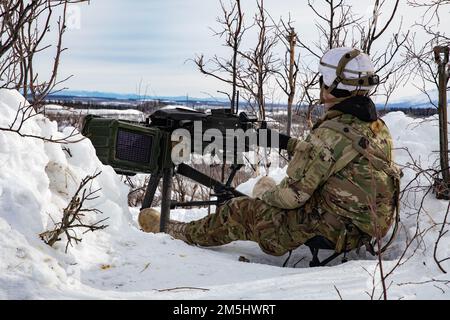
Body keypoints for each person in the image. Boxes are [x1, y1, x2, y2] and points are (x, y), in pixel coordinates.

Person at [138, 47, 401, 257]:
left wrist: (264, 198)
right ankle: (262, 193)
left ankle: (175, 230)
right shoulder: (375, 126)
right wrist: (284, 142)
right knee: (265, 185)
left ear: (332, 84)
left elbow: (291, 197)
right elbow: (330, 159)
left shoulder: (329, 134)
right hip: (365, 226)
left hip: (335, 231)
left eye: (323, 80)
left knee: (241, 208)